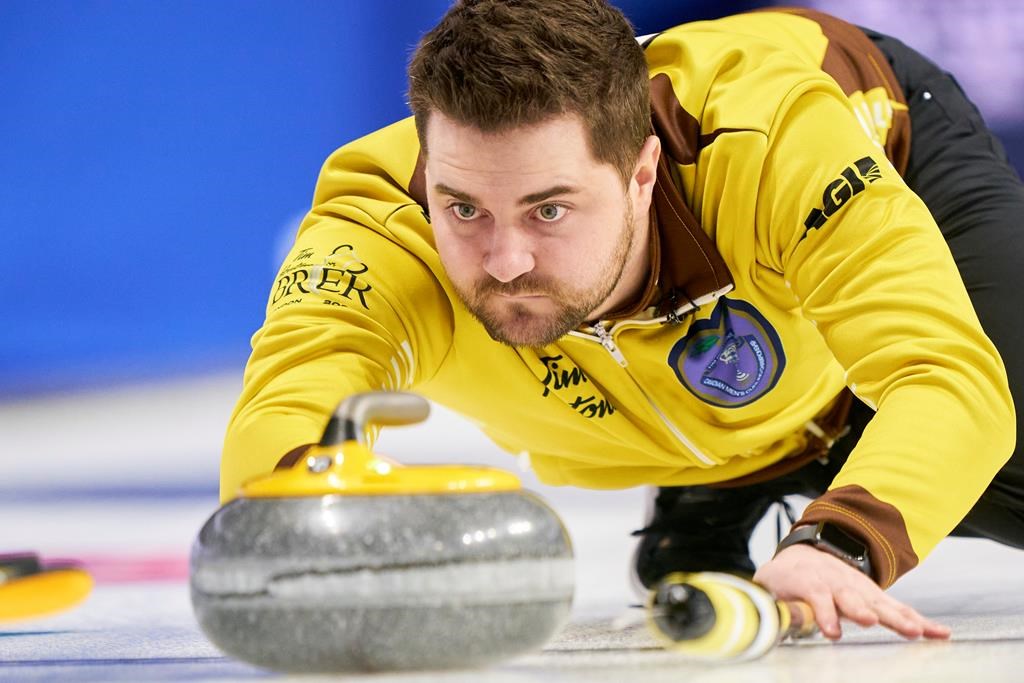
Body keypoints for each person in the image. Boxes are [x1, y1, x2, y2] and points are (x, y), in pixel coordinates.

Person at [222, 0, 1024, 642]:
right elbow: (290, 401)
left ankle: (744, 472)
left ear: (642, 173)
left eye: (549, 209)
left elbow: (945, 379)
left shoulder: (773, 148)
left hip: (891, 143)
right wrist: (303, 545)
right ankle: (729, 475)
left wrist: (836, 543)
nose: (503, 260)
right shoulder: (378, 226)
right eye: (463, 206)